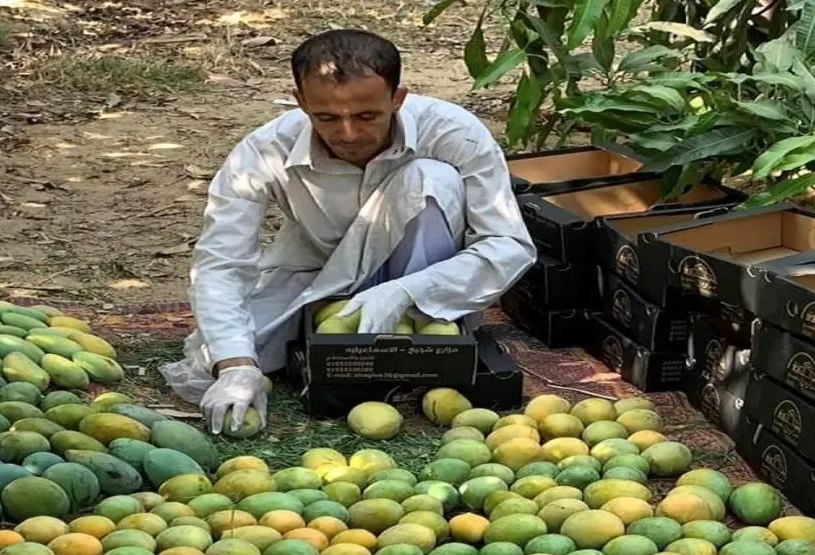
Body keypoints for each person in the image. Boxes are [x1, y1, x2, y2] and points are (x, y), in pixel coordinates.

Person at [162, 28, 536, 434]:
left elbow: (508, 243)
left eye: (366, 116)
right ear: (300, 101)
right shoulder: (265, 149)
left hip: (426, 282)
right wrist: (236, 365)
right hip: (320, 275)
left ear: (398, 99)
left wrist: (408, 290)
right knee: (219, 355)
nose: (348, 134)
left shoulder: (453, 131)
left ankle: (424, 346)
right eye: (326, 117)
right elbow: (221, 261)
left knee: (429, 178)